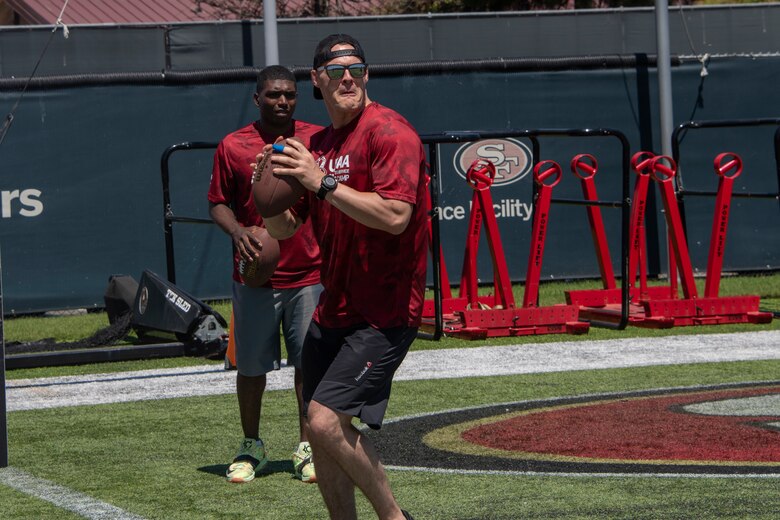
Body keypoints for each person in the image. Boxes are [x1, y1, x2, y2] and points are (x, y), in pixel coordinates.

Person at [260, 34, 427, 520]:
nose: (347, 77)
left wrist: (322, 181)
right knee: (316, 430)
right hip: (335, 309)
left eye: (356, 68)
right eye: (335, 71)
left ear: (367, 75)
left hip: (385, 312)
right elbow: (284, 227)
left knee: (324, 422)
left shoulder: (390, 133)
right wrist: (265, 194)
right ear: (317, 80)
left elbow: (395, 215)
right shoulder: (315, 144)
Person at [208, 65, 323, 484]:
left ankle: (307, 445)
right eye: (274, 94)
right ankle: (251, 444)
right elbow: (217, 202)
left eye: (290, 95)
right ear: (257, 98)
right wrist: (238, 232)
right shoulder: (233, 145)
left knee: (308, 366)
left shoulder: (315, 140)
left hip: (309, 272)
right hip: (255, 274)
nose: (283, 101)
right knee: (251, 368)